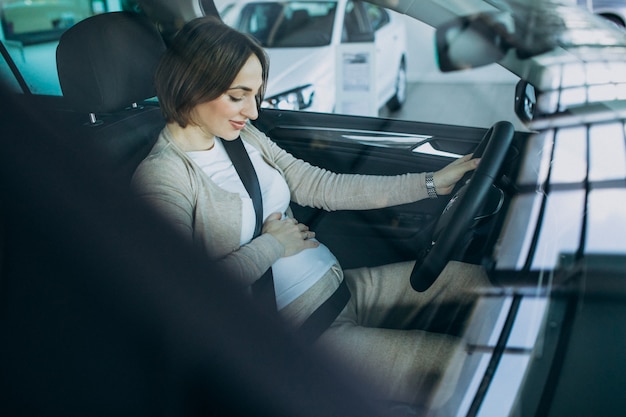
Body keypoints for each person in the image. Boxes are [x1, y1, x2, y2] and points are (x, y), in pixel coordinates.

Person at [132, 16, 490, 407]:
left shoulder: (241, 136)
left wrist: (431, 183)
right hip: (305, 335)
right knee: (468, 370)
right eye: (238, 96)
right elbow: (185, 293)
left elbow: (324, 186)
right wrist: (272, 244)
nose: (252, 111)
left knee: (485, 286)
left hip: (346, 288)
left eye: (256, 94)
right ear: (192, 86)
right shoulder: (163, 176)